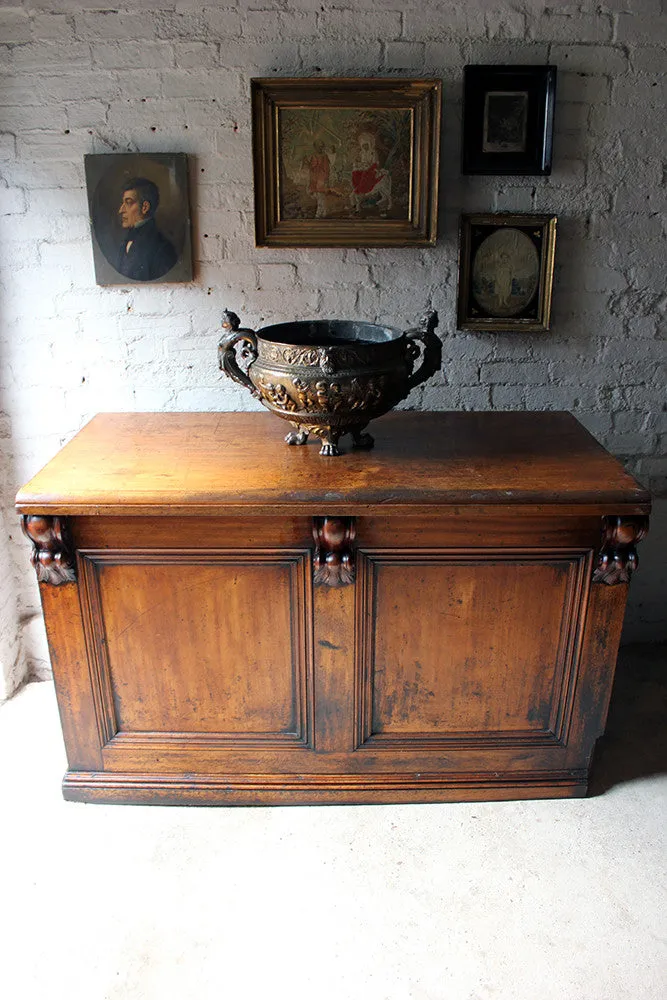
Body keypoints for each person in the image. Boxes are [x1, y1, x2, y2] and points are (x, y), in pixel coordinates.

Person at [116, 177, 178, 281]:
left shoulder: (162, 249)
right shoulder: (125, 242)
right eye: (123, 203)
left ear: (145, 207)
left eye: (129, 203)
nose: (121, 210)